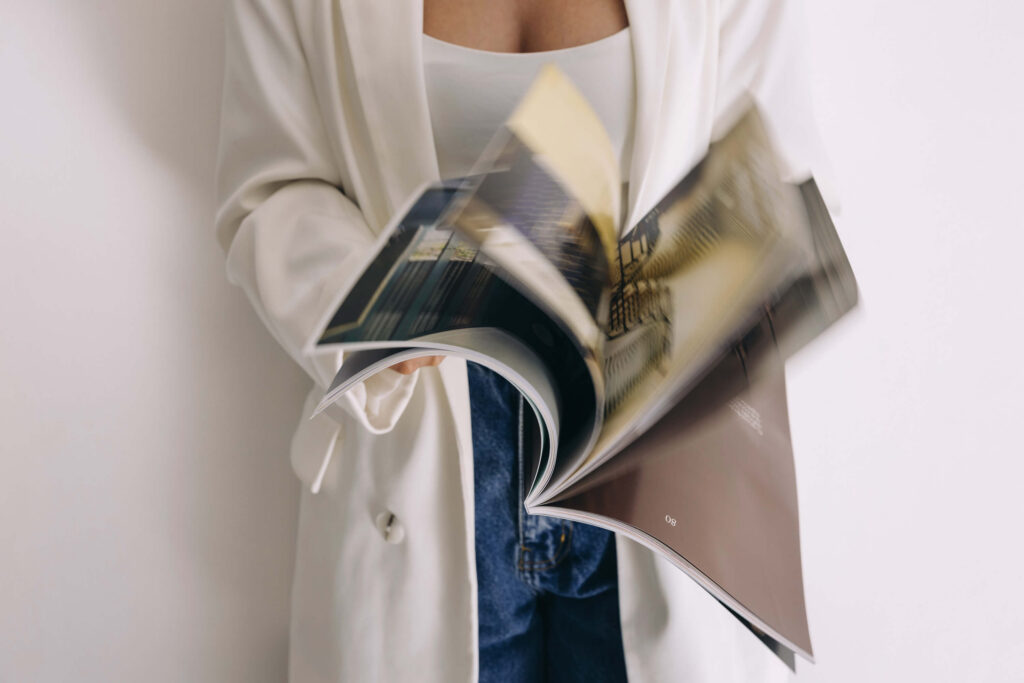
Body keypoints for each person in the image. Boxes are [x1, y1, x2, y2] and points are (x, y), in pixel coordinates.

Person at [215, 1, 831, 681]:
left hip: (647, 452)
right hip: (420, 451)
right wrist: (380, 304)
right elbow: (271, 185)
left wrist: (673, 309)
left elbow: (781, 179)